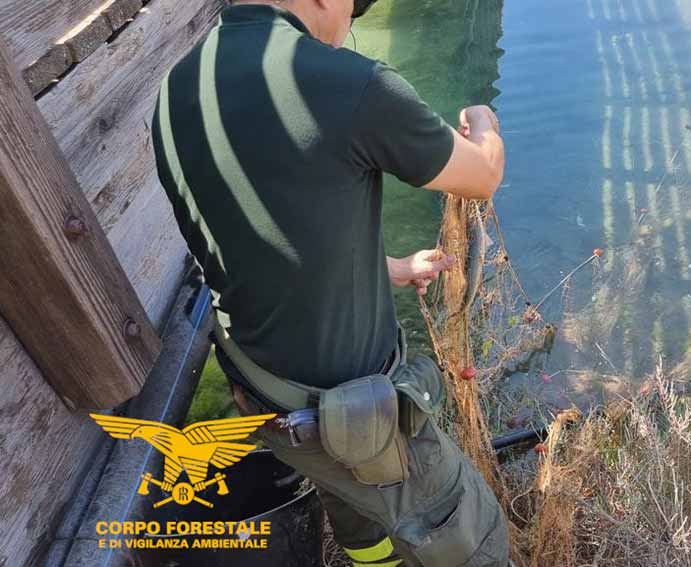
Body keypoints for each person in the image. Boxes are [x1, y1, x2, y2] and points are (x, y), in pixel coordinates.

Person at [151, 0, 507, 565]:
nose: (350, 25)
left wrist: (385, 268)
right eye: (352, 10)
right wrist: (484, 124)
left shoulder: (176, 90)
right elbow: (482, 175)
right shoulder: (352, 83)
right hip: (351, 418)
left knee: (362, 527)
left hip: (261, 394)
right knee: (476, 539)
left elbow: (263, 234)